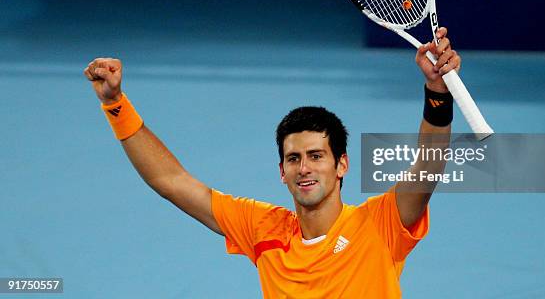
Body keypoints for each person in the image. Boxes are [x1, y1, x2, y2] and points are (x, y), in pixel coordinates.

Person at [83, 27, 460, 298]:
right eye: (293, 159)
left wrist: (437, 92)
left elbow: (427, 168)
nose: (304, 168)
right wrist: (115, 105)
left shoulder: (380, 225)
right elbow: (171, 180)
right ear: (282, 172)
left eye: (316, 156)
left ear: (341, 165)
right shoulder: (263, 229)